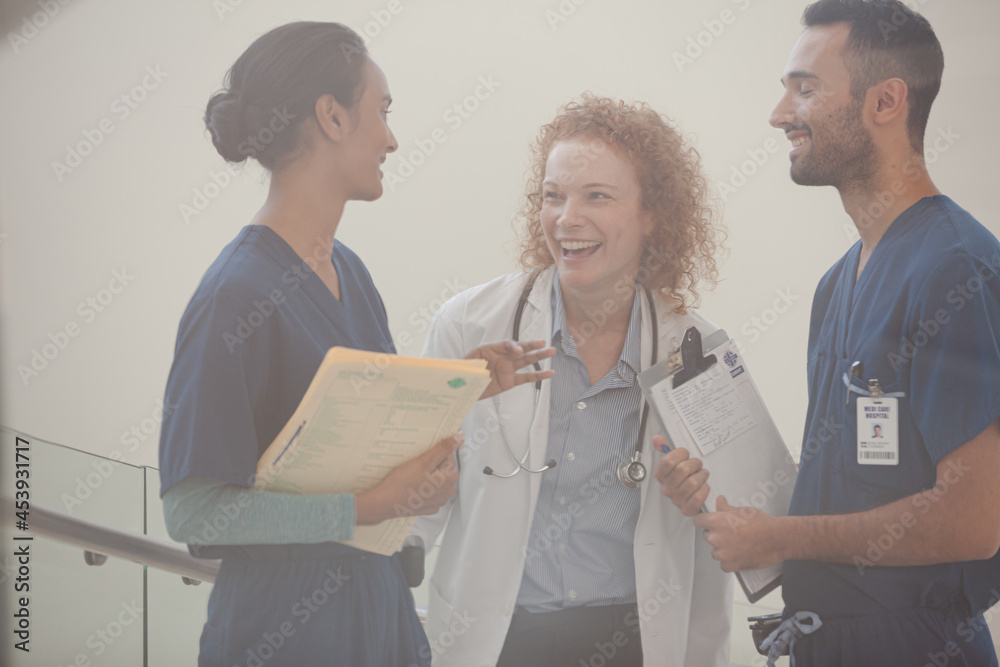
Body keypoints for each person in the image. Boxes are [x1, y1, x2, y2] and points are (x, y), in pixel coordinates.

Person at [157, 22, 552, 667]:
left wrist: (459, 388)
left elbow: (355, 438)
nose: (392, 138)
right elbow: (196, 514)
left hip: (378, 615)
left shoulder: (351, 274)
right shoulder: (235, 295)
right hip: (282, 633)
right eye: (383, 112)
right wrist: (374, 506)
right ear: (332, 117)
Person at [655, 1, 1000, 665]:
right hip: (829, 638)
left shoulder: (955, 268)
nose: (780, 113)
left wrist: (782, 536)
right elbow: (851, 487)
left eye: (805, 88)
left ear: (886, 102)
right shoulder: (836, 285)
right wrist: (718, 501)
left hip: (915, 643)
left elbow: (974, 517)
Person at [410, 94, 732, 667]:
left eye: (597, 197)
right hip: (498, 637)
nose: (566, 219)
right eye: (553, 196)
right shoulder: (469, 324)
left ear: (652, 213)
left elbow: (728, 526)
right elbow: (416, 500)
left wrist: (703, 500)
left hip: (633, 641)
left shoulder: (696, 351)